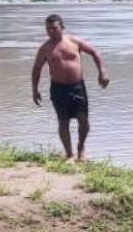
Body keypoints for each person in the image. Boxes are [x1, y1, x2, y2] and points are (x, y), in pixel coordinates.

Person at [31, 14, 110, 161]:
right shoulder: (45, 48)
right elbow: (36, 69)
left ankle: (81, 147)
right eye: (48, 29)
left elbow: (95, 52)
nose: (51, 31)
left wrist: (102, 72)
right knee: (63, 122)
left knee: (84, 121)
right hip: (58, 88)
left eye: (54, 28)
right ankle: (69, 155)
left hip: (77, 87)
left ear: (62, 27)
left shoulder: (74, 42)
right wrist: (34, 90)